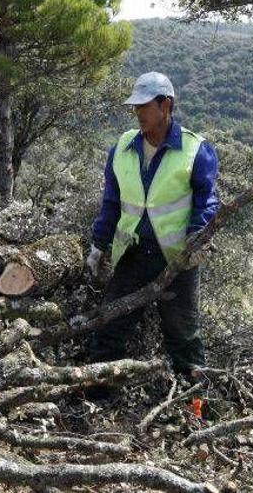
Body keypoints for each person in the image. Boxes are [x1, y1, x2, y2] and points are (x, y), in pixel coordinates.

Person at [86, 71, 220, 382]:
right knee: (110, 327)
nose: (138, 112)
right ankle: (101, 395)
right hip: (132, 254)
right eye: (136, 106)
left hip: (177, 258)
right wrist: (98, 244)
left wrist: (196, 240)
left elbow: (207, 203)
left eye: (144, 105)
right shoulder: (122, 148)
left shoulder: (195, 150)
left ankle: (194, 400)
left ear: (166, 105)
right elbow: (111, 203)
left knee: (183, 335)